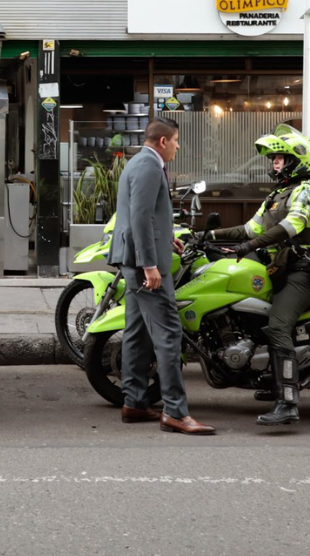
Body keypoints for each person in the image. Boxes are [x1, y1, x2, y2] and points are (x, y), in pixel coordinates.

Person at [209, 126, 310, 426]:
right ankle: (270, 377)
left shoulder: (305, 193)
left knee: (276, 327)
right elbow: (250, 228)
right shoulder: (276, 195)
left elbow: (290, 227)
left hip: (301, 272)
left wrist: (249, 246)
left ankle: (288, 402)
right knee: (251, 319)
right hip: (279, 271)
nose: (274, 163)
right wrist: (207, 234)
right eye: (273, 158)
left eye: (280, 158)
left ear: (298, 161)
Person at [108, 117, 215, 435]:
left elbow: (144, 213)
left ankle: (136, 403)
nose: (179, 146)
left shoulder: (137, 162)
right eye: (177, 140)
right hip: (145, 266)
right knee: (168, 335)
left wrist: (168, 237)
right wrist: (150, 265)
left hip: (135, 260)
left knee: (137, 335)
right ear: (163, 141)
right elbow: (139, 217)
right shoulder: (149, 166)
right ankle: (176, 412)